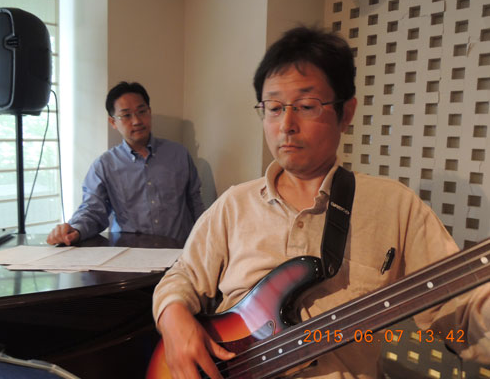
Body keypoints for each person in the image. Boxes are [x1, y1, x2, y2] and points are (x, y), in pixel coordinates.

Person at [151, 27, 490, 378]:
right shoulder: (233, 205)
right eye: (273, 108)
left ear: (346, 113)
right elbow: (183, 275)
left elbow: (461, 311)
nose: (286, 125)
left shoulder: (396, 207)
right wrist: (173, 316)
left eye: (306, 106)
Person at [47, 81, 205, 245]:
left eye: (142, 111)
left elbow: (195, 203)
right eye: (126, 115)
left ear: (149, 112)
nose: (136, 121)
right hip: (130, 253)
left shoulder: (179, 154)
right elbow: (93, 210)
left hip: (179, 251)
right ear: (113, 122)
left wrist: (205, 241)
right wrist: (75, 230)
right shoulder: (104, 165)